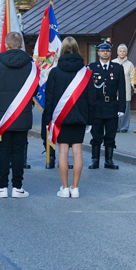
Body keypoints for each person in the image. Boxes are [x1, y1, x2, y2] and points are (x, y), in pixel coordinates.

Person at [0, 32, 38, 198]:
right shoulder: (31, 65)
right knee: (19, 152)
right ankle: (17, 187)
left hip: (2, 117)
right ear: (21, 45)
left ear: (6, 45)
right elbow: (35, 89)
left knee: (3, 151)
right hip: (22, 114)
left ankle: (1, 187)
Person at [44, 37, 91, 197]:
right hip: (80, 117)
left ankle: (64, 188)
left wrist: (47, 120)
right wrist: (90, 120)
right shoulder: (86, 71)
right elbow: (91, 98)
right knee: (77, 151)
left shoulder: (55, 72)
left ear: (62, 50)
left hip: (60, 118)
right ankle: (75, 188)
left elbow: (49, 98)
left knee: (63, 152)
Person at [87, 41, 125, 169]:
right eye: (103, 50)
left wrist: (121, 107)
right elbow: (87, 89)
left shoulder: (118, 68)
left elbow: (122, 89)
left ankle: (109, 160)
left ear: (110, 53)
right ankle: (95, 160)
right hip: (96, 106)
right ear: (98, 52)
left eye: (107, 50)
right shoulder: (91, 68)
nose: (105, 52)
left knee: (110, 135)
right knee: (96, 135)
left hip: (111, 105)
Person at [112, 44, 135, 133]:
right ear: (117, 52)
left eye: (124, 51)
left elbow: (133, 77)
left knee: (125, 109)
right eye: (120, 51)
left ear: (126, 53)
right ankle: (116, 127)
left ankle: (124, 127)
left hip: (126, 90)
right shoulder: (113, 63)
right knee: (115, 109)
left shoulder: (130, 65)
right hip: (114, 90)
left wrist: (135, 86)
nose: (122, 53)